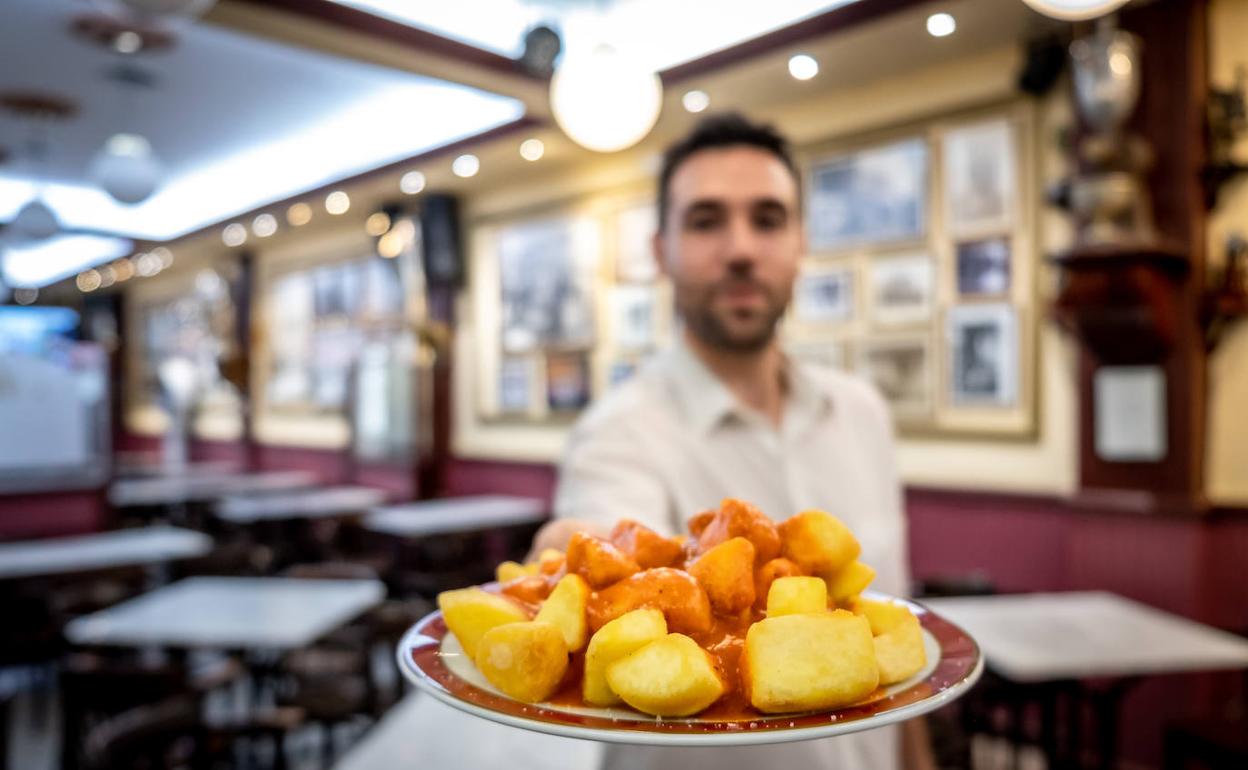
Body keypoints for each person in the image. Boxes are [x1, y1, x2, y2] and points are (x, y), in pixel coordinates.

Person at [530, 113, 935, 770]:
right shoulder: (617, 431)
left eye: (768, 218)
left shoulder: (863, 413)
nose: (741, 247)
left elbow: (897, 640)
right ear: (661, 251)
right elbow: (607, 541)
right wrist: (572, 557)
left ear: (800, 242)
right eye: (706, 220)